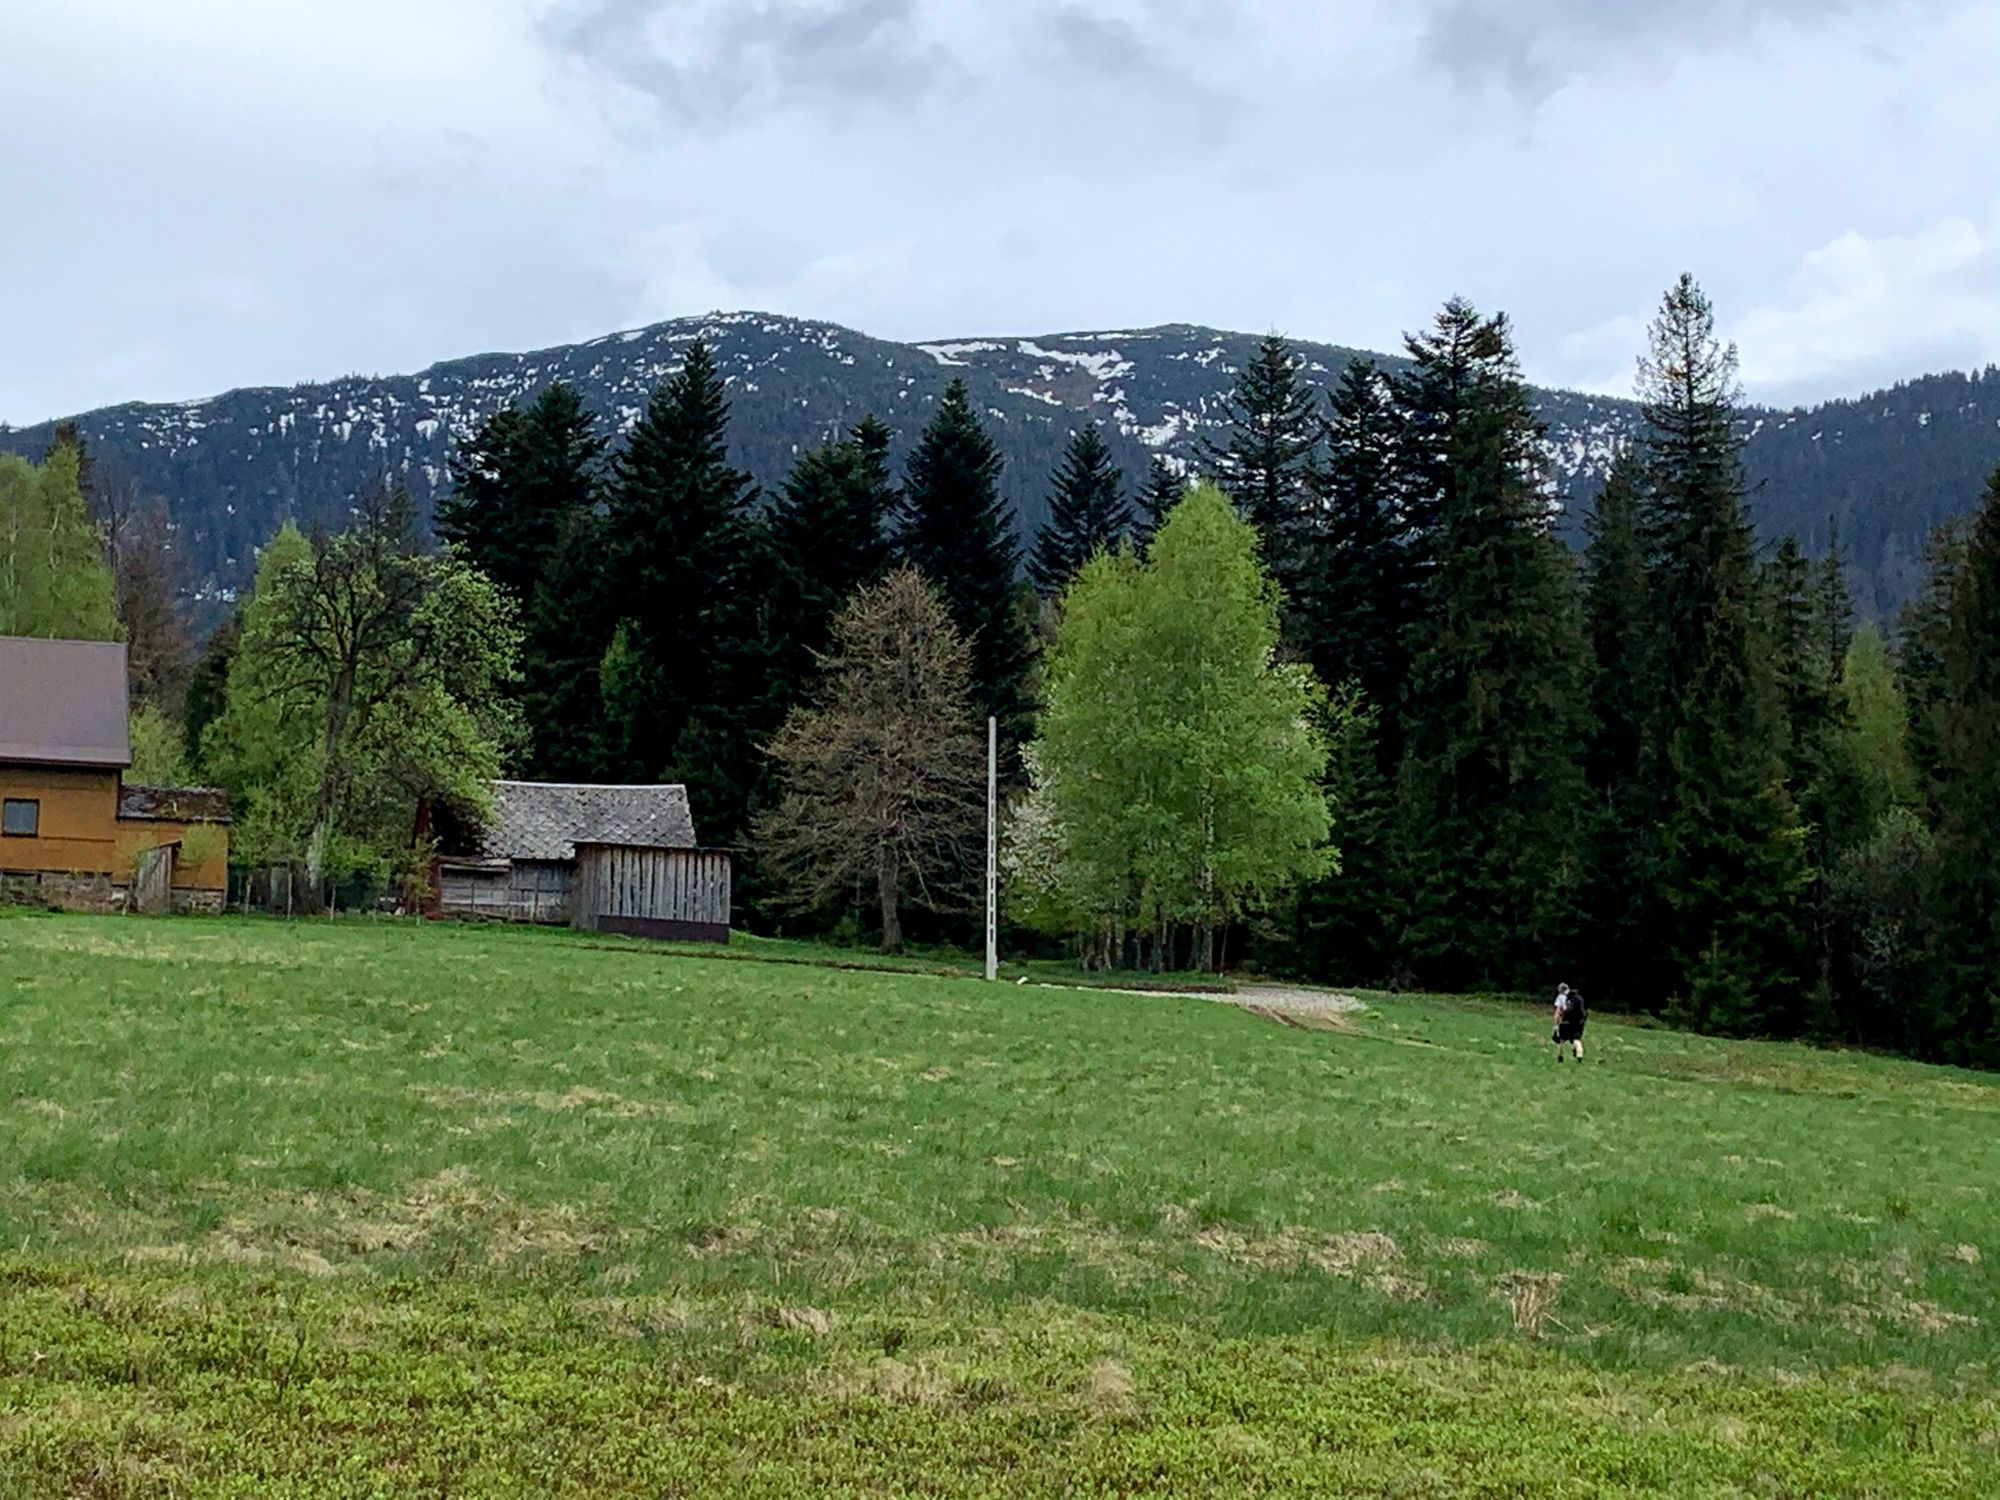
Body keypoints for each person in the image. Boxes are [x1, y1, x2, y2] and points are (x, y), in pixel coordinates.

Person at [1552, 983, 1586, 1062]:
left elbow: (1561, 1010)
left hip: (1567, 1021)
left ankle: (1560, 1056)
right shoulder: (1580, 998)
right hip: (1579, 1022)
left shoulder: (1566, 998)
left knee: (1561, 1039)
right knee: (1576, 1039)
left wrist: (1557, 1021)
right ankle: (1579, 1055)